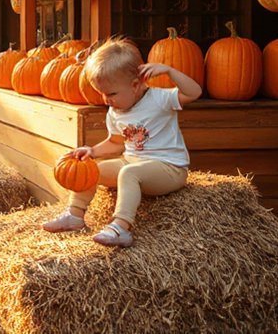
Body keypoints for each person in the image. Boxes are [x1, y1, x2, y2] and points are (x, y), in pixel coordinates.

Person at [42, 37, 202, 247]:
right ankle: (75, 215)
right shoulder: (115, 111)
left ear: (135, 85)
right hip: (133, 163)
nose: (106, 100)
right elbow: (116, 143)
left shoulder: (159, 99)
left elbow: (194, 92)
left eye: (111, 93)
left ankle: (120, 228)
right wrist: (91, 151)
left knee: (129, 173)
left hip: (168, 168)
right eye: (101, 94)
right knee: (89, 170)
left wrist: (170, 72)